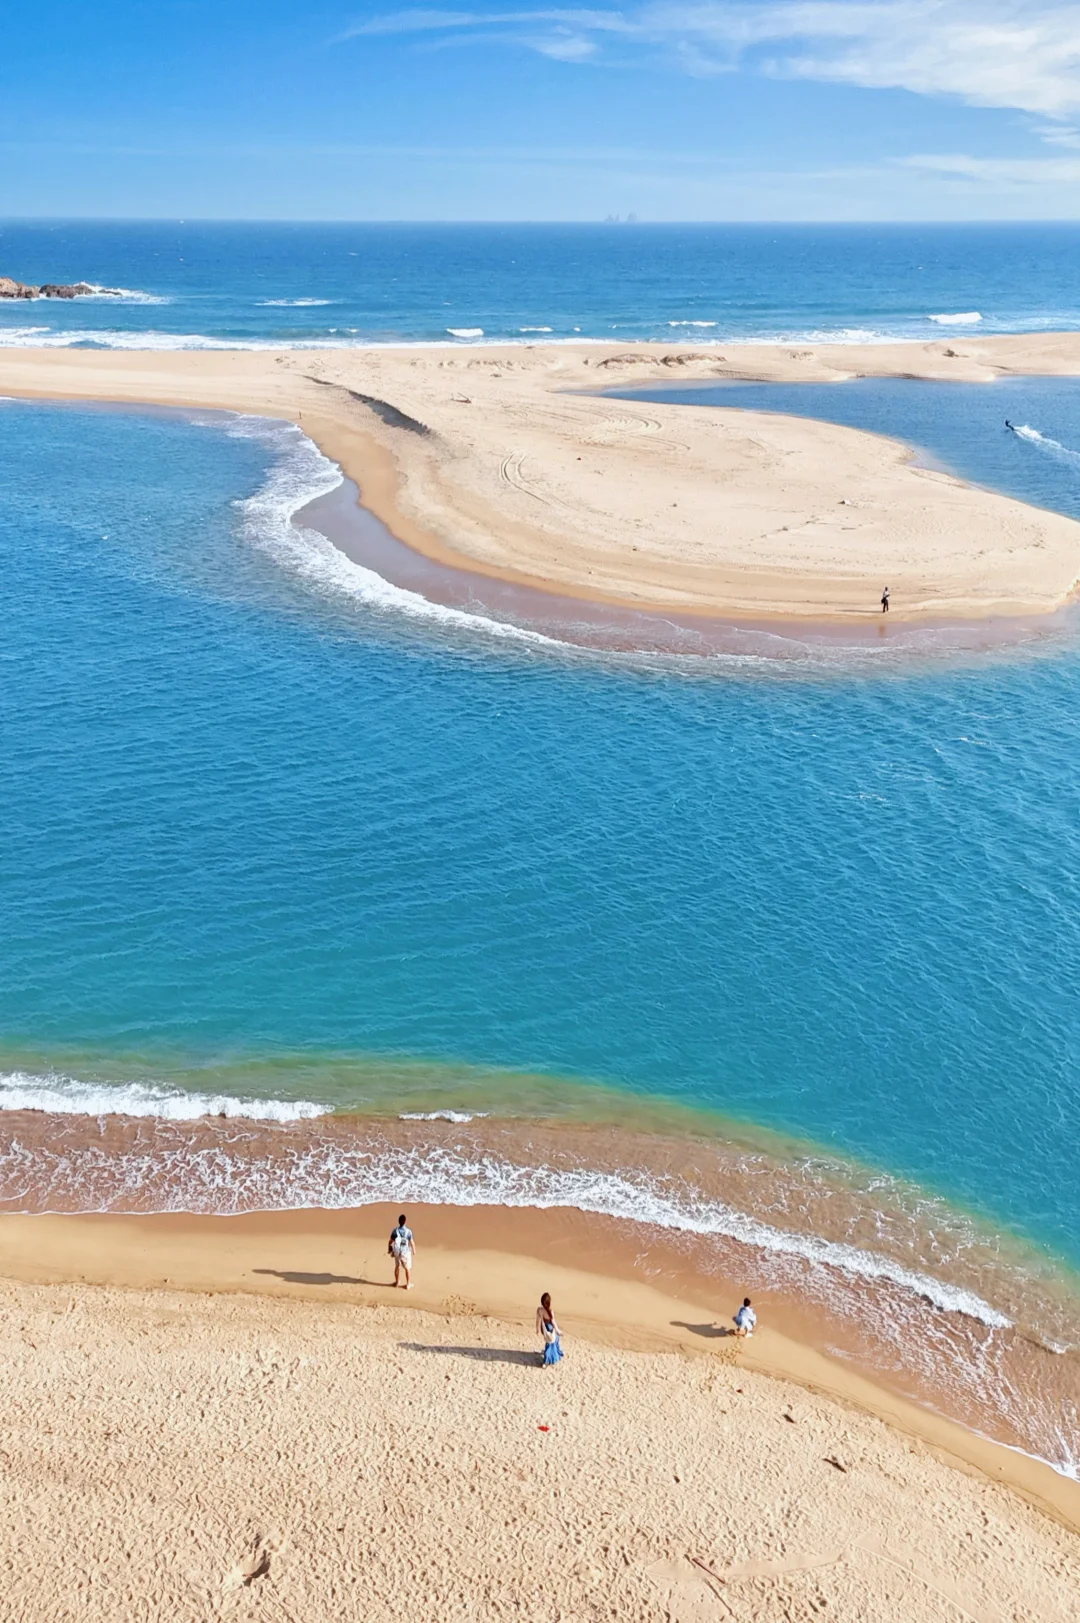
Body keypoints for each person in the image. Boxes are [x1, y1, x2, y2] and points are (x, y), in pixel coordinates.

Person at [388, 1213, 415, 1289]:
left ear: (398, 1221)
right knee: (407, 1268)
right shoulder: (408, 1232)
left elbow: (390, 1241)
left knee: (397, 1266)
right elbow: (412, 1242)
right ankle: (408, 1284)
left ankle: (397, 1282)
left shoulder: (395, 1231)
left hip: (397, 1251)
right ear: (405, 1221)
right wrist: (414, 1250)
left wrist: (389, 1249)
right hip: (405, 1252)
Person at [536, 1291, 563, 1367]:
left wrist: (537, 1330)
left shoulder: (539, 1310)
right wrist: (558, 1331)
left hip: (543, 1329)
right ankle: (547, 1360)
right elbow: (553, 1322)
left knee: (551, 1342)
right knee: (552, 1342)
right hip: (550, 1329)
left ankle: (552, 1356)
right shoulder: (550, 1311)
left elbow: (537, 1321)